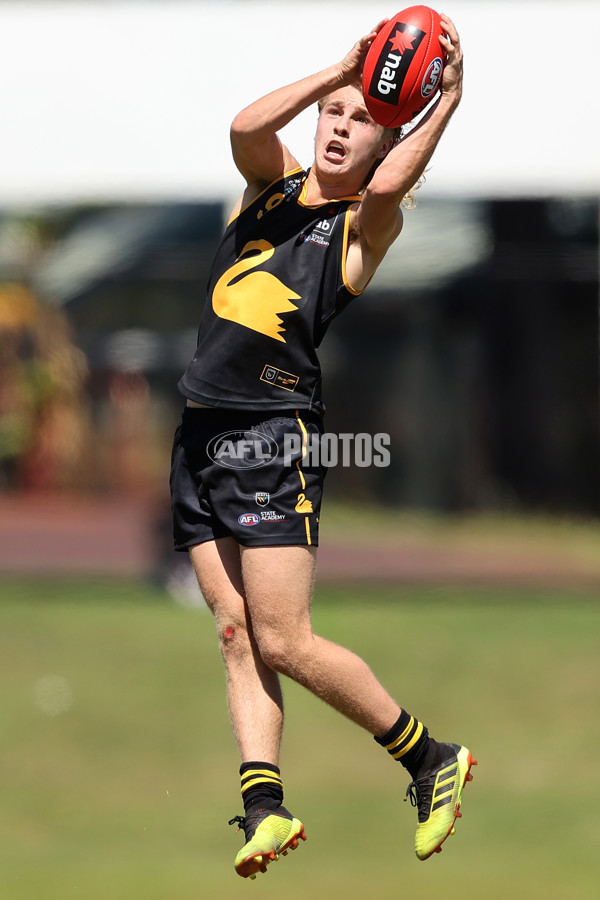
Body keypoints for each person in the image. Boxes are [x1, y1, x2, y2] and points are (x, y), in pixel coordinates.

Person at [170, 13, 475, 879]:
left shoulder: (359, 227)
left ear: (386, 146)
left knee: (286, 639)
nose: (339, 127)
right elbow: (244, 129)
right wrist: (339, 72)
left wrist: (439, 107)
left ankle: (430, 759)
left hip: (270, 439)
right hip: (199, 432)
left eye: (359, 121)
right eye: (332, 115)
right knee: (235, 632)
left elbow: (385, 193)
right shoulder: (269, 188)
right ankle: (265, 806)